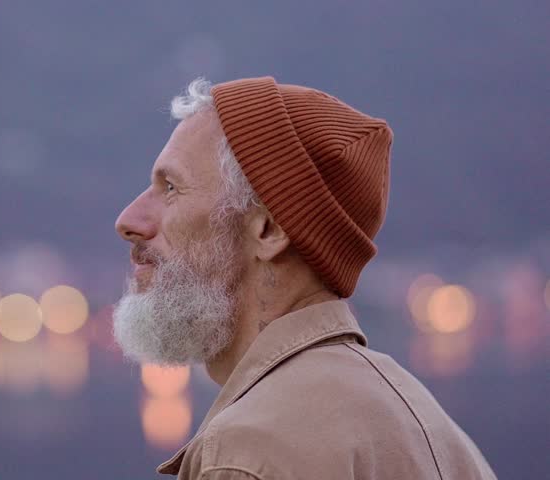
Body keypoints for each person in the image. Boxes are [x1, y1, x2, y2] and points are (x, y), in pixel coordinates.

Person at [112, 76, 497, 479]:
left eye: (171, 187)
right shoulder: (433, 427)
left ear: (269, 230)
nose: (128, 221)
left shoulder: (251, 449)